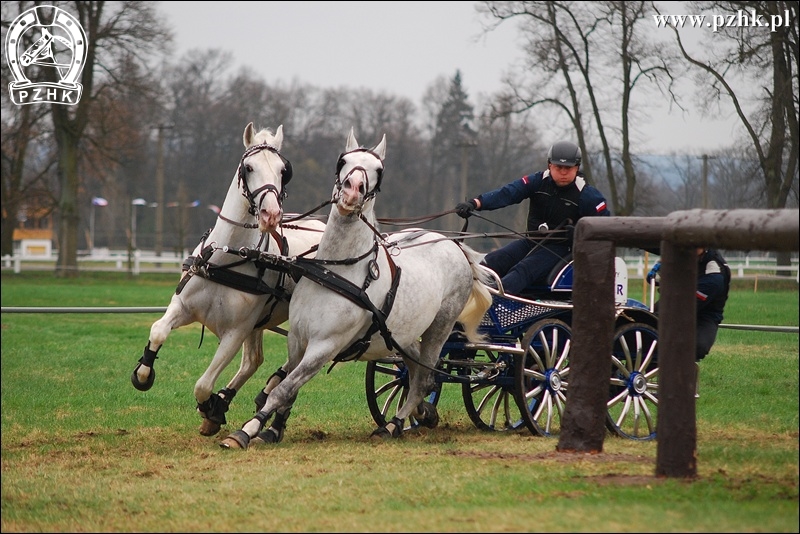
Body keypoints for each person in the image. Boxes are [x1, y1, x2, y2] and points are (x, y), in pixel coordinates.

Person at [454, 140, 611, 296]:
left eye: (568, 168)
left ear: (577, 167)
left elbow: (605, 228)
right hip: (531, 241)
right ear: (550, 165)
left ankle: (493, 305)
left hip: (561, 249)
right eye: (559, 167)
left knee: (522, 270)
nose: (563, 172)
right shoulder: (537, 181)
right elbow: (507, 193)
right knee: (491, 262)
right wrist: (475, 203)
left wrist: (579, 233)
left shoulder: (588, 195)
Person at [647, 247, 731, 360]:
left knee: (698, 346)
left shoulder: (714, 276)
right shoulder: (685, 252)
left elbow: (683, 307)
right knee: (646, 322)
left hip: (704, 314)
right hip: (675, 298)